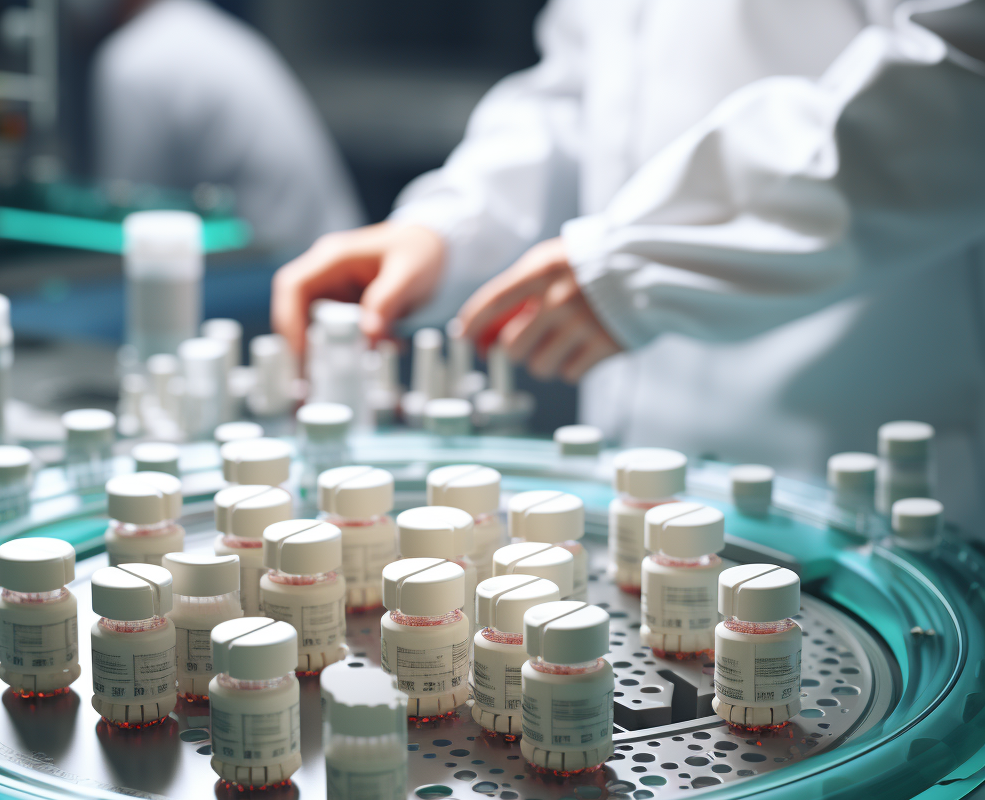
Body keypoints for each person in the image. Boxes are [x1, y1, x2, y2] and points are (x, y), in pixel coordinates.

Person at [272, 0, 985, 529]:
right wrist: (449, 226)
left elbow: (957, 75)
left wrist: (646, 261)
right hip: (636, 476)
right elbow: (584, 95)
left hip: (860, 464)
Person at [90, 0, 362, 252]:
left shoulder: (134, 60)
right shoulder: (200, 28)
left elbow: (127, 220)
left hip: (281, 270)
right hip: (332, 253)